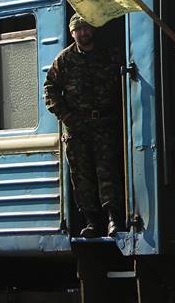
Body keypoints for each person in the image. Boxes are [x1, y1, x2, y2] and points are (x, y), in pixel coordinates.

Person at [44, 14, 124, 238]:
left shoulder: (108, 55)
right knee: (82, 176)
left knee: (108, 171)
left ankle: (113, 218)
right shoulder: (64, 59)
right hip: (77, 127)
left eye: (86, 28)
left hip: (104, 123)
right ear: (72, 33)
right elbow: (50, 89)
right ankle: (92, 221)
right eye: (78, 30)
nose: (83, 33)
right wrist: (66, 116)